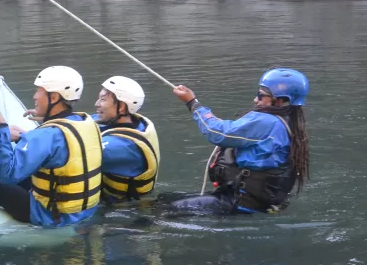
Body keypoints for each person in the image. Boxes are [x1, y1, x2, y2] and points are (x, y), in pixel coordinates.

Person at [169, 67, 310, 214]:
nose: (255, 100)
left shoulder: (266, 121)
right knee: (166, 198)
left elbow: (216, 133)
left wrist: (192, 103)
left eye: (260, 95)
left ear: (279, 101)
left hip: (240, 202)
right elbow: (233, 131)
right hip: (258, 200)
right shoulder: (290, 121)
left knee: (169, 209)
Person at [0, 66, 103, 227]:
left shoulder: (46, 135)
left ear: (54, 97)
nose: (35, 96)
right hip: (84, 211)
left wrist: (1, 127)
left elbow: (7, 174)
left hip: (51, 217)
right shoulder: (87, 123)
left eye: (40, 91)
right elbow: (62, 148)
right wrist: (39, 126)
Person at [94, 76, 160, 203]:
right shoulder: (137, 123)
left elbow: (76, 156)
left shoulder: (121, 147)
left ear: (122, 107)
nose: (96, 104)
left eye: (103, 99)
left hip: (121, 209)